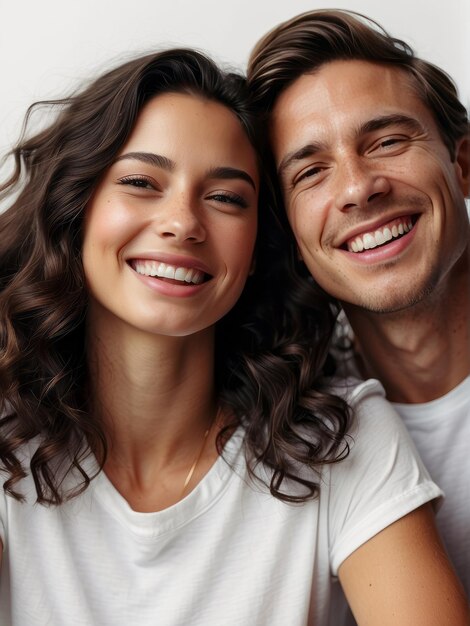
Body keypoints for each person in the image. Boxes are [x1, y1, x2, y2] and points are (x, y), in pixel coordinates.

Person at [0, 48, 467, 626]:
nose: (183, 223)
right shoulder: (8, 437)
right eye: (143, 182)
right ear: (76, 210)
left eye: (225, 198)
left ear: (257, 248)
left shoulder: (339, 437)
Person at [248, 4, 470, 614]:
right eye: (311, 171)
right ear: (288, 232)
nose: (357, 188)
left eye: (388, 141)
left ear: (464, 164)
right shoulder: (301, 426)